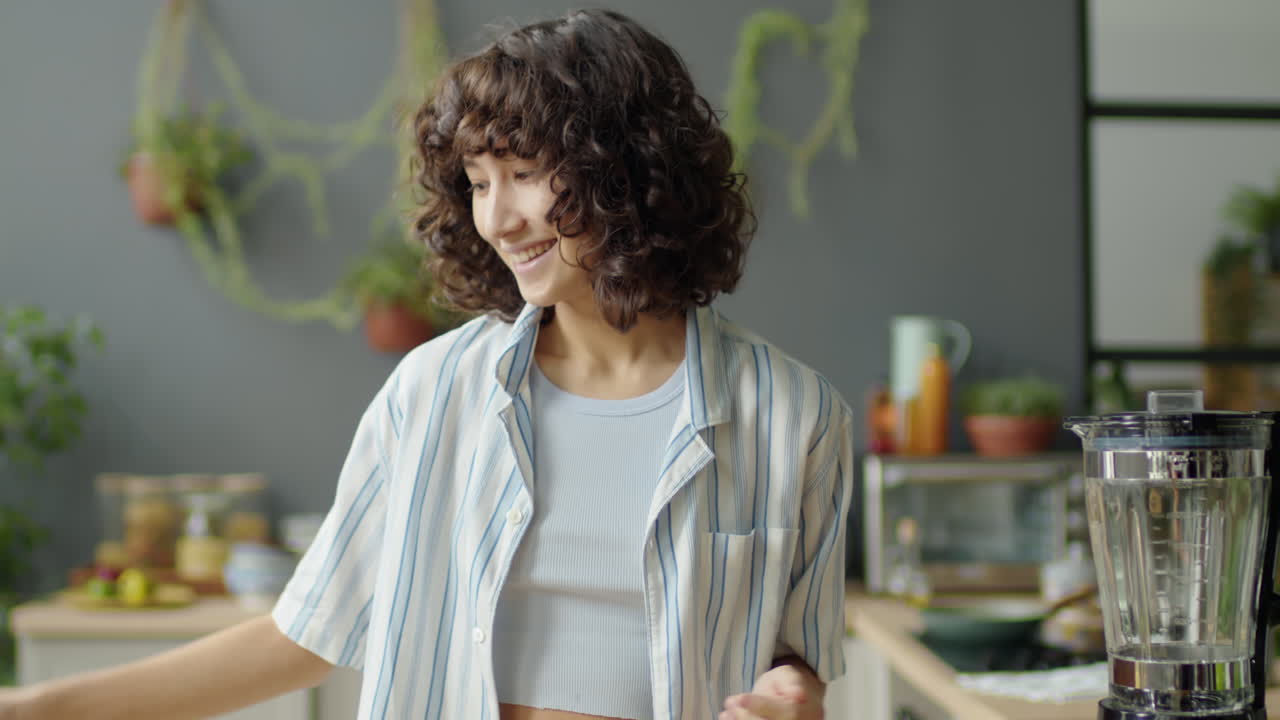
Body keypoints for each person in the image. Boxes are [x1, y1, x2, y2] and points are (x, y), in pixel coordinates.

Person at [0, 8, 853, 720]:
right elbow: (308, 631)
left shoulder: (795, 415)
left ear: (630, 173)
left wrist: (793, 694)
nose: (499, 217)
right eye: (478, 182)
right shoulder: (436, 390)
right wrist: (40, 709)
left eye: (523, 172)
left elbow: (799, 657)